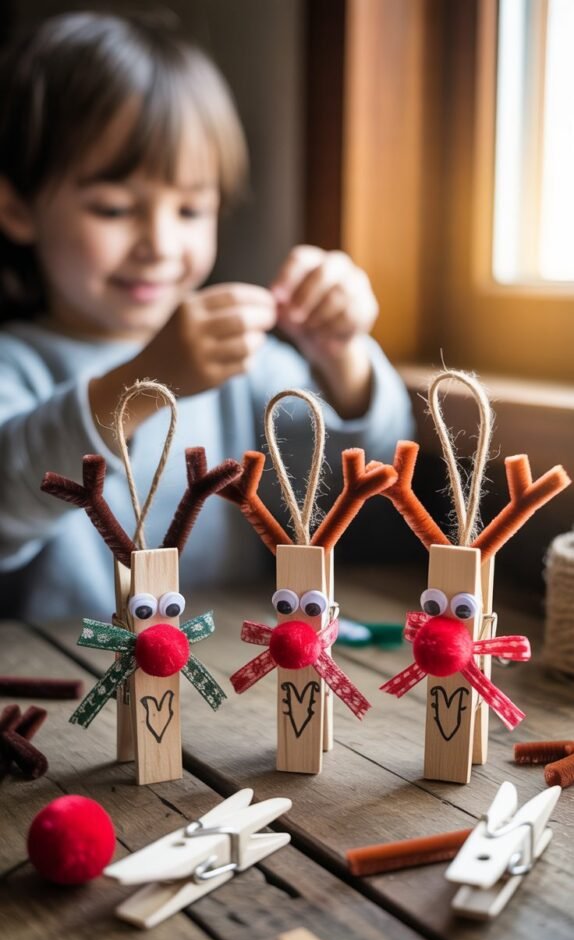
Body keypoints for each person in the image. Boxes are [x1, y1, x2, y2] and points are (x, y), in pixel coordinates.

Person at [0, 11, 413, 620]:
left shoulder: (248, 364)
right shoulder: (18, 364)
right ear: (17, 209)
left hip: (220, 676)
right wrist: (144, 384)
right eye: (113, 209)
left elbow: (364, 485)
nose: (160, 244)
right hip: (69, 680)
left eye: (191, 210)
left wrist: (342, 353)